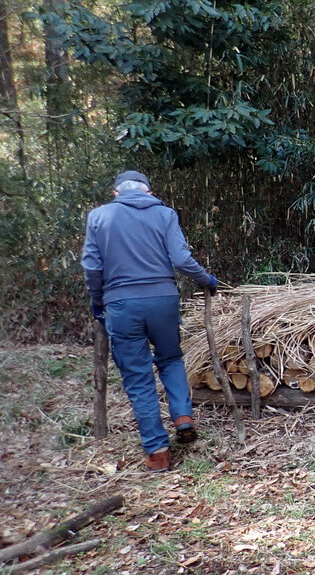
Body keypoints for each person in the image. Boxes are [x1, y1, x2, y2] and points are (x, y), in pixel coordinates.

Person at [83, 171, 219, 472]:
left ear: (116, 193)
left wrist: (98, 300)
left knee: (138, 376)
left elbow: (92, 267)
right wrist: (206, 279)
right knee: (170, 358)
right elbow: (181, 260)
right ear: (148, 191)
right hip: (163, 300)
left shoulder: (99, 217)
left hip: (121, 304)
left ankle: (158, 452)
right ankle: (183, 417)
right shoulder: (165, 214)